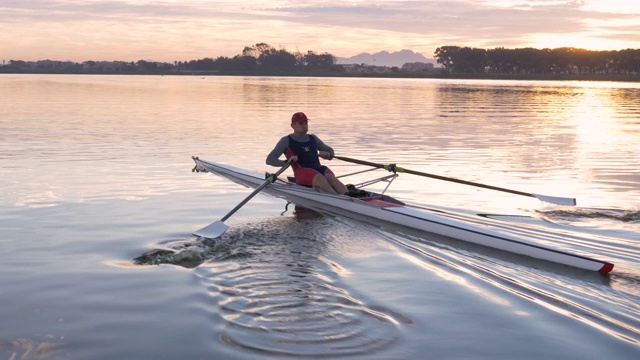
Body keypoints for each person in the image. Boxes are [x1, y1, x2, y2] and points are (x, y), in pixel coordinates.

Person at [266, 112, 348, 195]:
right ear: (292, 125)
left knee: (331, 177)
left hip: (318, 169)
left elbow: (330, 150)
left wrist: (328, 155)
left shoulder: (313, 138)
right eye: (301, 123)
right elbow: (270, 159)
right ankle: (341, 200)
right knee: (320, 178)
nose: (304, 126)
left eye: (306, 123)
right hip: (301, 173)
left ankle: (350, 196)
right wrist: (286, 162)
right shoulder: (286, 140)